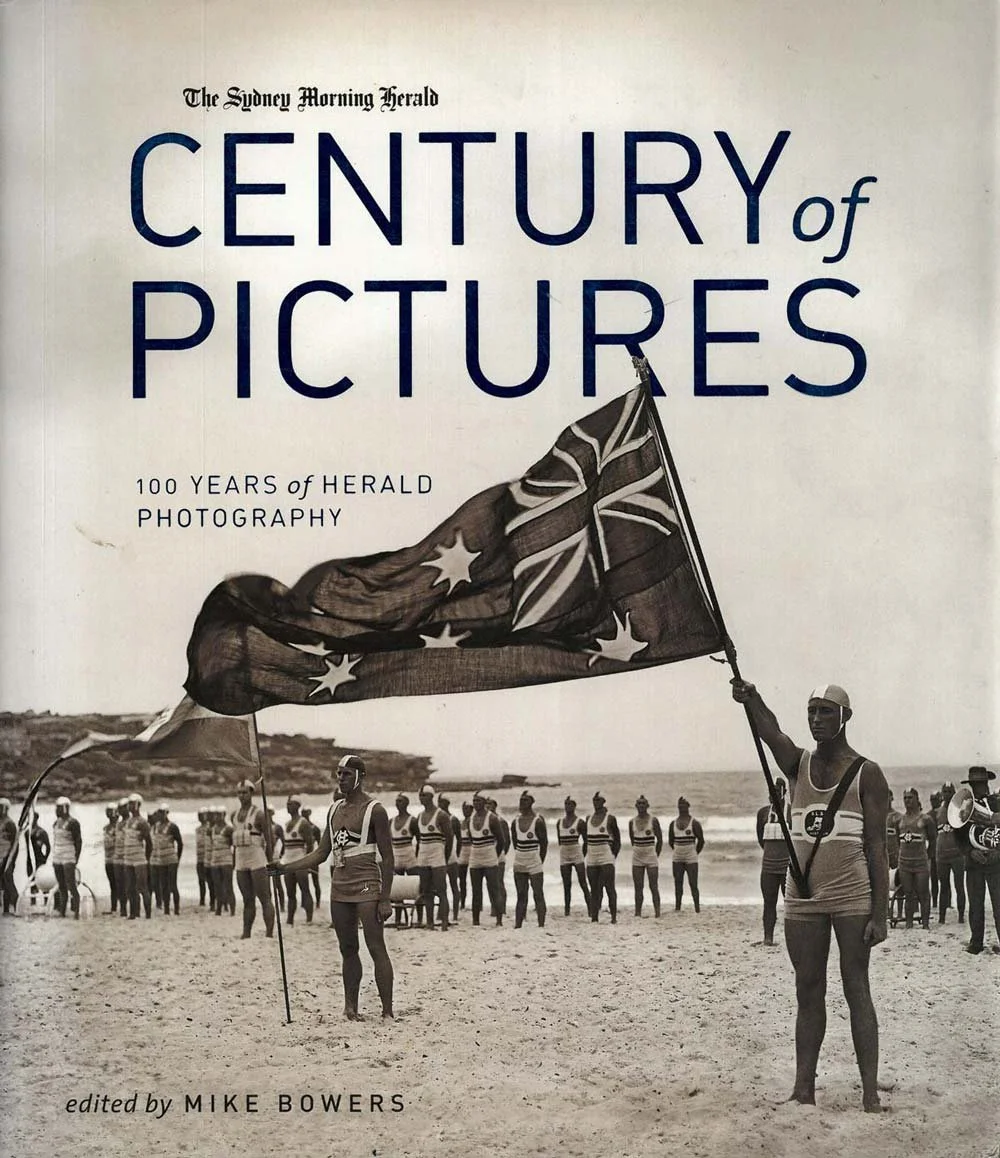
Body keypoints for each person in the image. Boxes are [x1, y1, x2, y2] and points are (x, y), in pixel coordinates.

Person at [731, 679, 889, 1113]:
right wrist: (752, 698)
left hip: (851, 896)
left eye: (825, 711)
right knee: (807, 988)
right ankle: (804, 1088)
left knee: (857, 987)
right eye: (812, 711)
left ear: (845, 717)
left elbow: (877, 848)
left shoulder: (867, 773)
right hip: (802, 897)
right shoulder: (797, 766)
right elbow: (771, 733)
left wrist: (882, 912)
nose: (817, 719)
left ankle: (870, 1093)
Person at [271, 754, 395, 1020]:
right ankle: (350, 1007)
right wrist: (284, 867)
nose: (341, 778)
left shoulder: (376, 810)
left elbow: (388, 856)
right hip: (340, 887)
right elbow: (320, 853)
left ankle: (387, 1011)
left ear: (360, 777)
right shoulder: (333, 810)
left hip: (367, 885)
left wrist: (385, 898)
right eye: (338, 773)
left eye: (347, 774)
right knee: (347, 949)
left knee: (375, 947)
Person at [954, 766, 1000, 955]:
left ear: (987, 783)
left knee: (999, 904)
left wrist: (998, 851)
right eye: (975, 784)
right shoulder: (964, 806)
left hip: (996, 862)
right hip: (974, 863)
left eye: (981, 783)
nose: (979, 787)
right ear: (971, 785)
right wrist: (970, 852)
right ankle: (976, 943)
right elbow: (959, 835)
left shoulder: (997, 803)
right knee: (975, 904)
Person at [231, 780, 275, 939]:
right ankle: (246, 932)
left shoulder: (259, 814)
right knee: (247, 899)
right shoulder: (233, 816)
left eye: (245, 792)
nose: (242, 796)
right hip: (241, 859)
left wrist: (271, 860)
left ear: (251, 793)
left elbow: (270, 838)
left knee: (264, 897)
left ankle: (269, 933)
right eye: (239, 793)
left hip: (257, 858)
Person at [756, 779, 790, 945]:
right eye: (771, 791)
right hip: (768, 867)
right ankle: (768, 938)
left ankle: (793, 938)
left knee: (790, 905)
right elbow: (761, 839)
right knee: (769, 903)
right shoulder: (763, 813)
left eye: (776, 791)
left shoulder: (792, 811)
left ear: (784, 793)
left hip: (788, 868)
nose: (773, 794)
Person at [897, 787, 935, 929]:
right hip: (905, 863)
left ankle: (925, 925)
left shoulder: (925, 819)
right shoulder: (900, 820)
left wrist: (928, 858)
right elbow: (897, 841)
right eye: (905, 798)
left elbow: (933, 841)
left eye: (910, 797)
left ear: (917, 799)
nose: (907, 801)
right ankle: (909, 924)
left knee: (923, 893)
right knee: (908, 893)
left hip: (920, 862)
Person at [415, 785, 452, 931]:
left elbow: (450, 839)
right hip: (423, 853)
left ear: (431, 797)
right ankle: (429, 922)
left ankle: (444, 922)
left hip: (437, 853)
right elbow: (419, 839)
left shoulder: (441, 815)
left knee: (441, 889)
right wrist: (418, 857)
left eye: (424, 795)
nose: (421, 798)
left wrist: (446, 858)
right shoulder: (419, 816)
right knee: (426, 891)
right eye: (420, 796)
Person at [510, 791, 547, 928]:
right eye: (520, 800)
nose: (521, 803)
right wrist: (521, 854)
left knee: (538, 893)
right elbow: (515, 842)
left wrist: (539, 860)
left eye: (525, 800)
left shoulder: (538, 821)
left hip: (534, 859)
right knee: (521, 894)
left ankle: (541, 925)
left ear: (531, 802)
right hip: (520, 859)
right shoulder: (515, 821)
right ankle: (518, 924)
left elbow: (544, 844)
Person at [467, 792, 504, 927]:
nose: (476, 803)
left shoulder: (492, 818)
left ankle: (499, 920)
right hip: (475, 856)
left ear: (484, 802)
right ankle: (475, 920)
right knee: (476, 890)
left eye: (478, 801)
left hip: (489, 856)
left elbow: (501, 840)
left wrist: (493, 854)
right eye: (474, 801)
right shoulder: (470, 819)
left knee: (494, 889)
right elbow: (472, 839)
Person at [585, 792, 620, 923]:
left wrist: (613, 856)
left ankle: (614, 918)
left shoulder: (610, 818)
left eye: (599, 800)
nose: (596, 802)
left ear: (603, 802)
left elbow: (617, 840)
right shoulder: (588, 818)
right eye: (594, 800)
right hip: (592, 856)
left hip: (605, 856)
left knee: (609, 887)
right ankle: (594, 918)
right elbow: (585, 839)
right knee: (594, 889)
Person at [934, 781, 965, 924]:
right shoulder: (937, 812)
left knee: (959, 886)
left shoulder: (959, 811)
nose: (947, 794)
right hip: (942, 856)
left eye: (949, 792)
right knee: (943, 886)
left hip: (957, 855)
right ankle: (941, 918)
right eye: (944, 791)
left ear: (954, 793)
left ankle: (960, 916)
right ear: (941, 794)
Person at [282, 795, 315, 926]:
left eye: (290, 804)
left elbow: (310, 844)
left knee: (305, 890)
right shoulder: (286, 824)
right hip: (288, 861)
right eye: (287, 804)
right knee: (290, 893)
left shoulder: (303, 823)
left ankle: (309, 918)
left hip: (300, 860)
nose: (287, 806)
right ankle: (290, 919)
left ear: (297, 806)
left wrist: (308, 862)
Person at [389, 794, 421, 928]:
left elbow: (420, 840)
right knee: (397, 889)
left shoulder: (412, 821)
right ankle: (398, 919)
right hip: (396, 855)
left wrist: (418, 857)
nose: (398, 803)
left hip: (409, 855)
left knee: (417, 887)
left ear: (406, 803)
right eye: (396, 801)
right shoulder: (391, 821)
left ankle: (419, 918)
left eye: (400, 801)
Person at [668, 797, 704, 912]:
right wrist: (679, 849)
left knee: (693, 883)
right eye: (680, 806)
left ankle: (697, 908)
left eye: (684, 806)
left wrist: (694, 852)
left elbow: (701, 841)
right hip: (677, 857)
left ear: (688, 806)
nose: (682, 808)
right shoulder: (673, 824)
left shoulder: (694, 823)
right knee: (678, 883)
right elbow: (670, 841)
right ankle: (677, 907)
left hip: (691, 857)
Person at [556, 797, 591, 916]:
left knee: (583, 882)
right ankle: (567, 910)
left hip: (576, 852)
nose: (567, 806)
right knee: (566, 884)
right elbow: (559, 840)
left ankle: (591, 909)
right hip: (564, 854)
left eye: (570, 804)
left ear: (574, 806)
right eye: (566, 804)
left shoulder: (580, 822)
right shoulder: (559, 822)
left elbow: (587, 841)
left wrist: (582, 854)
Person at [629, 796, 663, 917]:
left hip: (651, 856)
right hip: (637, 857)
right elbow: (633, 840)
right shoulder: (631, 822)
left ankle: (657, 913)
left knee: (653, 886)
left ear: (647, 806)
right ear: (636, 806)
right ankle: (637, 912)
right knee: (638, 887)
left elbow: (660, 840)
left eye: (643, 803)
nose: (641, 806)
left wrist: (655, 854)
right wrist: (639, 849)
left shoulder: (653, 820)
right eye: (639, 803)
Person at [51, 796, 83, 918]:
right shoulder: (56, 823)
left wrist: (76, 859)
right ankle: (62, 911)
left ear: (65, 808)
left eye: (58, 808)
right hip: (57, 856)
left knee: (71, 885)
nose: (56, 810)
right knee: (61, 885)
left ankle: (76, 912)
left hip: (68, 856)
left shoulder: (73, 823)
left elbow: (78, 841)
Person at [122, 793, 152, 919]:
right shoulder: (128, 822)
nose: (130, 806)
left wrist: (146, 859)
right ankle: (133, 913)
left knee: (142, 887)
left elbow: (149, 843)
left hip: (139, 859)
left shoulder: (142, 822)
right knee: (129, 888)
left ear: (138, 805)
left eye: (132, 804)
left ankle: (148, 914)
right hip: (128, 858)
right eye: (129, 804)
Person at [152, 805, 183, 916]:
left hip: (171, 859)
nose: (160, 815)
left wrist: (177, 858)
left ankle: (176, 908)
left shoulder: (173, 826)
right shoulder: (155, 826)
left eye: (161, 812)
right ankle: (166, 908)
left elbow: (180, 843)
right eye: (158, 812)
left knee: (172, 885)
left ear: (166, 813)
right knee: (163, 885)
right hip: (160, 860)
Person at [439, 795, 463, 923]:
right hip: (438, 855)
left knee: (454, 885)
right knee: (439, 886)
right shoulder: (437, 818)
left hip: (451, 855)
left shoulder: (453, 819)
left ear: (447, 803)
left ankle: (455, 913)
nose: (439, 805)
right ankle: (441, 912)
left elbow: (460, 839)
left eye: (441, 802)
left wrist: (457, 854)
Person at [486, 798, 510, 917]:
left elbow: (507, 840)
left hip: (498, 854)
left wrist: (502, 853)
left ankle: (502, 908)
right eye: (487, 804)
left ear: (495, 806)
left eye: (490, 804)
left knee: (499, 882)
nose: (488, 806)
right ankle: (493, 907)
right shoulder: (485, 820)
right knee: (490, 883)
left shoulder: (501, 821)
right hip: (487, 854)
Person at [885, 791, 904, 927]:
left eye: (887, 796)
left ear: (892, 798)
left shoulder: (897, 817)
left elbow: (901, 839)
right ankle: (886, 911)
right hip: (882, 855)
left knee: (899, 884)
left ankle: (899, 912)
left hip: (896, 855)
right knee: (882, 884)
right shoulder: (877, 816)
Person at [300, 807, 323, 908]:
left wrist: (318, 857)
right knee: (303, 882)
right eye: (303, 813)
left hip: (312, 857)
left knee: (315, 881)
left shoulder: (315, 829)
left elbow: (320, 845)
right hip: (302, 857)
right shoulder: (300, 828)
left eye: (305, 813)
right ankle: (304, 903)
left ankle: (317, 903)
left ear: (309, 813)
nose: (304, 815)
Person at [0, 798, 19, 915]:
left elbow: (15, 844)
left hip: (7, 857)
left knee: (8, 881)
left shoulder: (10, 824)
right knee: (3, 882)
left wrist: (11, 860)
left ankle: (14, 905)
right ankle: (5, 908)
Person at [101, 806, 120, 915]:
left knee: (118, 883)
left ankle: (117, 907)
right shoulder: (106, 828)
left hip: (116, 858)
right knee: (113, 884)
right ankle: (114, 907)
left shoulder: (119, 828)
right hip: (108, 858)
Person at [194, 809, 214, 909]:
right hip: (199, 858)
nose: (200, 817)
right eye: (199, 815)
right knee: (201, 881)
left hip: (209, 859)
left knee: (211, 882)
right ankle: (202, 900)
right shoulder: (197, 829)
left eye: (202, 815)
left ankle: (212, 901)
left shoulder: (210, 829)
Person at [456, 801, 473, 913]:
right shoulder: (461, 822)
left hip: (472, 850)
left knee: (474, 879)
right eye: (463, 809)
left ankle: (477, 903)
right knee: (461, 879)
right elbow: (458, 839)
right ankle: (462, 902)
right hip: (463, 851)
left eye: (467, 809)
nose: (465, 811)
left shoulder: (473, 822)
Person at [927, 789, 942, 907]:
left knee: (943, 879)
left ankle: (945, 901)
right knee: (934, 878)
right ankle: (936, 901)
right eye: (932, 799)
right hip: (933, 851)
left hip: (941, 850)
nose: (934, 802)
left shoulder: (944, 813)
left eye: (935, 799)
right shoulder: (928, 816)